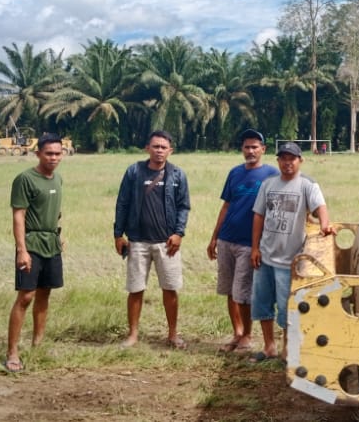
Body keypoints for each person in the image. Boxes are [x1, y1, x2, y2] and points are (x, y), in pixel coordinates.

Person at [250, 142, 335, 362]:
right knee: (262, 303)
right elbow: (259, 215)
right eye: (283, 158)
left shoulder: (307, 185)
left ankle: (288, 348)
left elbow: (320, 208)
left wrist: (325, 225)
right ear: (278, 161)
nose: (287, 163)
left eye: (292, 158)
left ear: (300, 160)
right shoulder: (268, 184)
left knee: (288, 307)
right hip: (266, 255)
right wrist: (255, 248)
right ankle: (269, 346)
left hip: (291, 261)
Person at [113, 130, 191, 349]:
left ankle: (173, 334)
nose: (159, 151)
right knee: (135, 289)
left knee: (170, 288)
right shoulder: (134, 172)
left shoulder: (177, 174)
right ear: (147, 148)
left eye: (163, 147)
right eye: (155, 146)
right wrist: (118, 234)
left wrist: (179, 233)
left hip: (168, 243)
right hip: (138, 240)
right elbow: (123, 203)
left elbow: (184, 206)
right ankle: (133, 335)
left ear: (170, 150)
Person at [207, 129, 278, 353]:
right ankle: (237, 332)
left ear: (263, 150)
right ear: (242, 150)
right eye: (247, 147)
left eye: (255, 147)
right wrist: (214, 237)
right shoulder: (235, 173)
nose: (250, 151)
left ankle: (248, 334)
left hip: (250, 243)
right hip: (227, 239)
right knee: (229, 290)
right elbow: (226, 205)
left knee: (244, 292)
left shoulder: (272, 175)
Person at [5, 133, 66, 373]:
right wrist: (22, 250)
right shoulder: (25, 179)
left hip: (51, 243)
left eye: (57, 153)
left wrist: (59, 238)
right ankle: (12, 351)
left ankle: (38, 344)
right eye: (49, 153)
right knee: (26, 297)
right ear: (38, 153)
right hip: (31, 243)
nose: (53, 158)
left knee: (44, 295)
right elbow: (18, 215)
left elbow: (55, 212)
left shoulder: (58, 179)